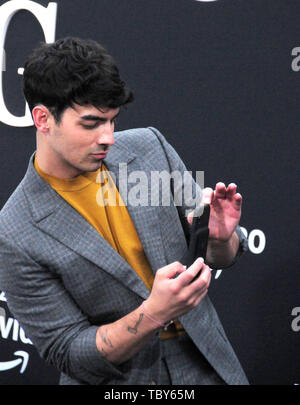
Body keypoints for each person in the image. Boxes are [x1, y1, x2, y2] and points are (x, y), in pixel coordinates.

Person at [0, 37, 249, 385]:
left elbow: (222, 257)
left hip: (210, 365)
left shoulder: (149, 149)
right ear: (43, 118)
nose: (108, 138)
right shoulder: (15, 230)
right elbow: (70, 353)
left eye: (112, 121)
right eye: (91, 124)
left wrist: (220, 239)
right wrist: (154, 313)